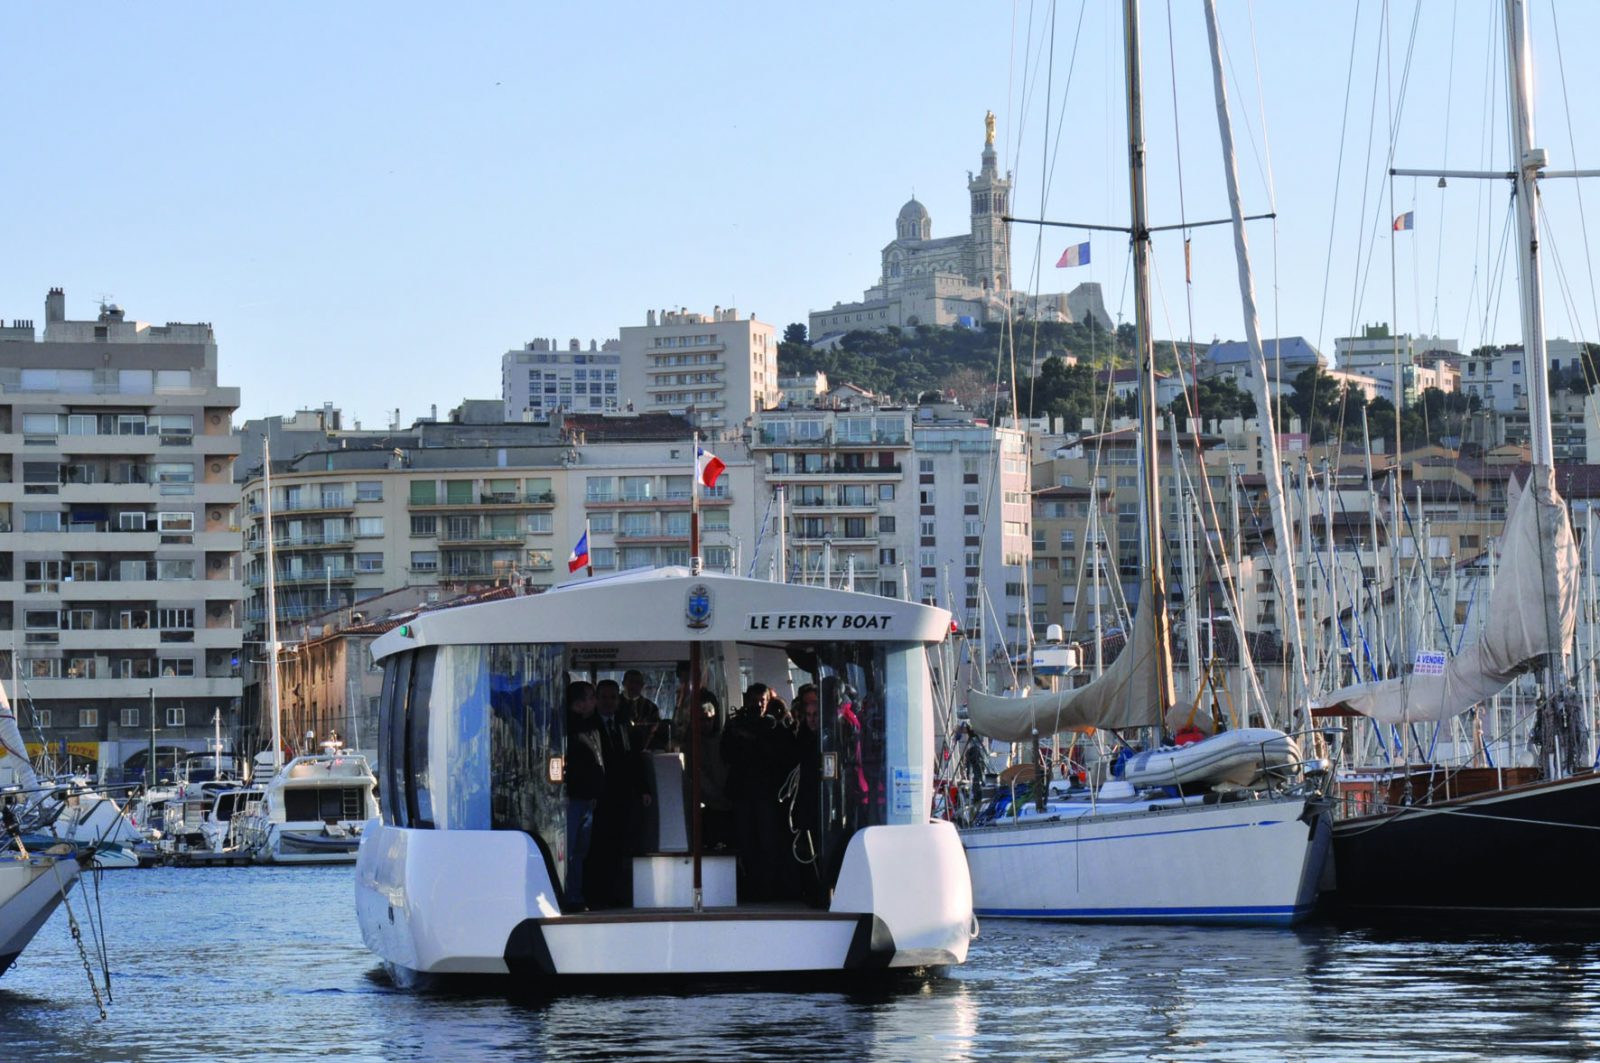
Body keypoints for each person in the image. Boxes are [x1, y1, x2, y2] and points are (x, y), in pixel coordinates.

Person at [720, 683, 797, 900]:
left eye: (762, 701)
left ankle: (769, 887)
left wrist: (754, 739)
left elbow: (783, 756)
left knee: (768, 841)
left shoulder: (774, 726)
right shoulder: (736, 724)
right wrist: (739, 735)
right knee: (746, 840)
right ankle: (750, 885)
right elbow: (726, 755)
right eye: (754, 701)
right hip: (743, 792)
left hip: (766, 793)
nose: (758, 705)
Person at [589, 678, 648, 907]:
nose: (608, 702)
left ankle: (616, 893)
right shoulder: (590, 724)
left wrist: (643, 789)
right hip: (600, 795)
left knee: (620, 845)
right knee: (599, 846)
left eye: (613, 697)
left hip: (622, 795)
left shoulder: (623, 724)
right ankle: (598, 894)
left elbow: (634, 759)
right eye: (603, 697)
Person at [562, 681, 602, 911]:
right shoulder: (568, 728)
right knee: (569, 851)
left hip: (586, 799)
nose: (594, 702)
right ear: (579, 703)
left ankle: (574, 895)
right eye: (591, 697)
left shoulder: (589, 726)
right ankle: (567, 895)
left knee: (579, 852)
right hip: (573, 798)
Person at [622, 669, 667, 752]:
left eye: (637, 683)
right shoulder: (615, 704)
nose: (633, 686)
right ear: (624, 683)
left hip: (644, 751)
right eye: (631, 681)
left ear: (642, 685)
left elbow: (655, 731)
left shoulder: (650, 708)